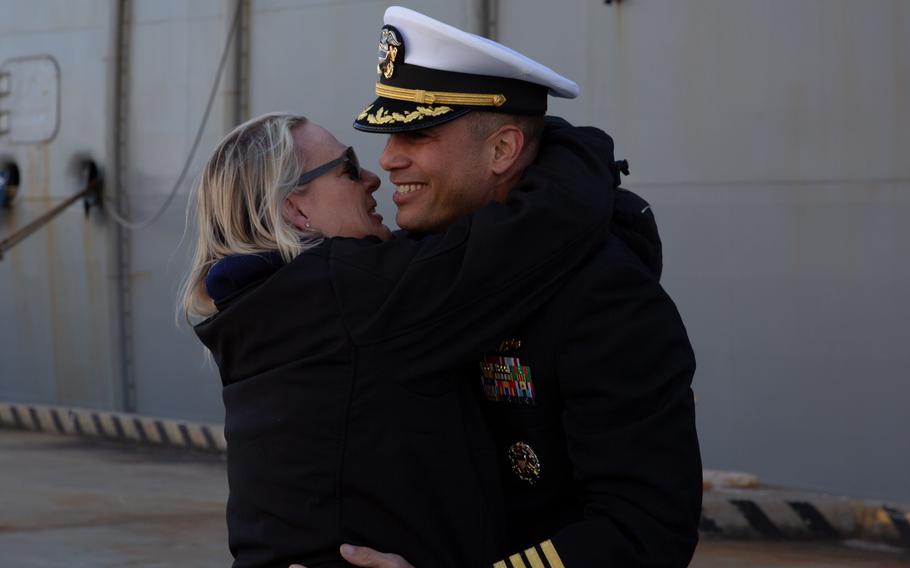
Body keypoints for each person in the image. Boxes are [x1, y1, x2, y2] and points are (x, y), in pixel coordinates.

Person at [325, 7, 703, 568]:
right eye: (387, 134)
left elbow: (644, 529)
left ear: (502, 150)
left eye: (418, 133)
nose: (388, 159)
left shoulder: (606, 298)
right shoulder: (424, 270)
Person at [182, 109, 616, 567]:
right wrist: (565, 141)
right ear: (295, 207)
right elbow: (543, 229)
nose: (372, 177)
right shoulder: (350, 295)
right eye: (348, 167)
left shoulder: (259, 308)